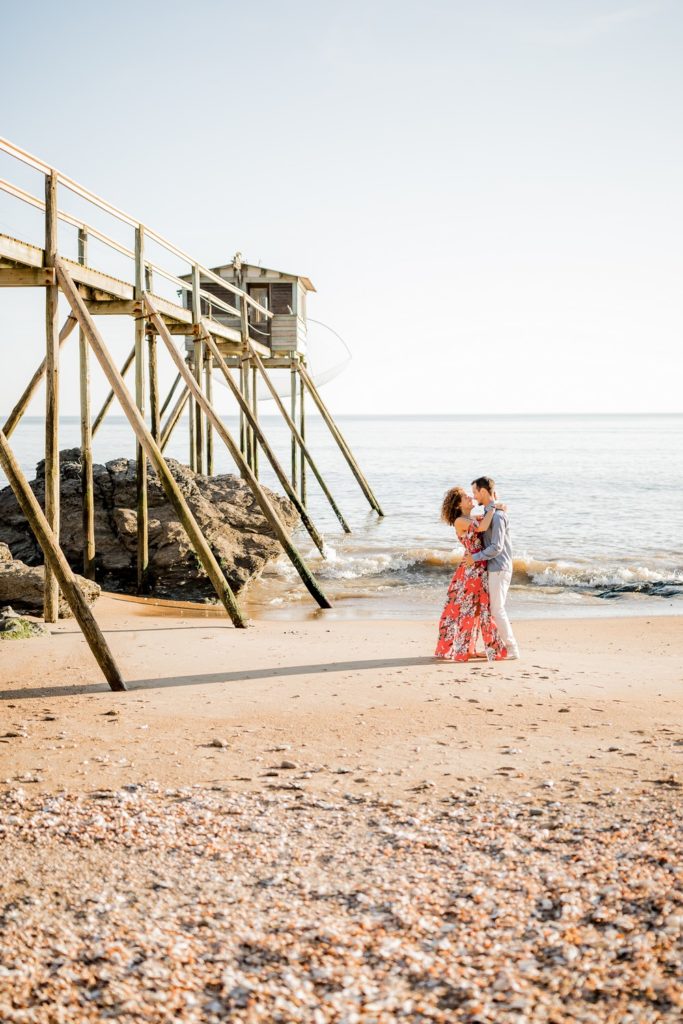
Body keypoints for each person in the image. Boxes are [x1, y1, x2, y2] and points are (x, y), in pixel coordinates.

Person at [435, 486, 508, 662]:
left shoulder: (470, 518)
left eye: (470, 495)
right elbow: (483, 527)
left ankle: (470, 648)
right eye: (465, 497)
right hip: (470, 570)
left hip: (478, 567)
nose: (470, 497)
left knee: (478, 609)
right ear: (458, 505)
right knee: (469, 609)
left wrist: (496, 505)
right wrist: (492, 508)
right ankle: (462, 649)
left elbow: (488, 519)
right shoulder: (460, 521)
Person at [464, 476, 520, 660]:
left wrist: (475, 557)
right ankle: (498, 648)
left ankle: (512, 649)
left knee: (497, 610)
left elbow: (497, 547)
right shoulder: (492, 512)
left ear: (483, 491)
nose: (474, 496)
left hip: (499, 567)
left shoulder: (497, 515)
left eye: (475, 492)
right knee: (494, 609)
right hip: (494, 568)